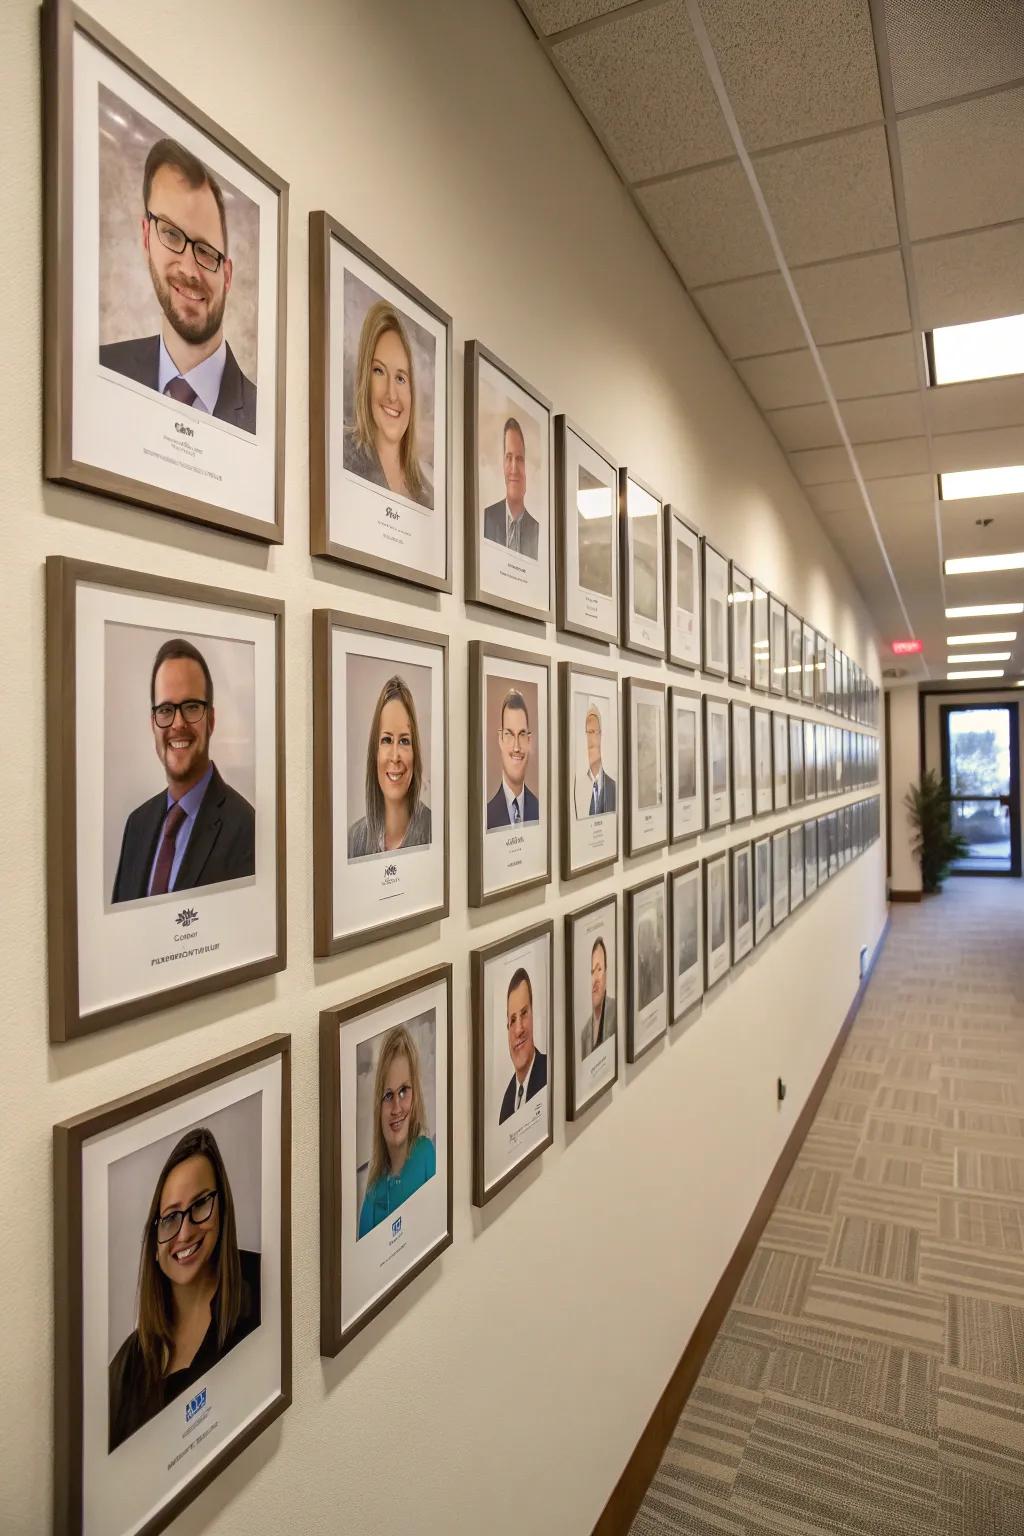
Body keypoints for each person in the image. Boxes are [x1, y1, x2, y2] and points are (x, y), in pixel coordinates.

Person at [108, 1126, 260, 1452]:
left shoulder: (262, 1288)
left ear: (223, 1207)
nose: (185, 1231)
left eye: (201, 1204)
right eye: (170, 1218)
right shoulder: (125, 1370)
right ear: (154, 1241)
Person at [99, 139, 256, 434]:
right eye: (171, 234)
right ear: (146, 238)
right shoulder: (102, 367)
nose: (189, 269)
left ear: (228, 275)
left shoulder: (261, 421)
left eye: (207, 252)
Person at [111, 638, 255, 904]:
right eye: (166, 709)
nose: (178, 724)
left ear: (211, 720)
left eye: (191, 707)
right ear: (153, 723)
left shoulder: (245, 827)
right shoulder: (136, 825)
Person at [343, 299, 432, 508]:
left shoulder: (427, 494)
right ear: (365, 378)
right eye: (379, 371)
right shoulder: (342, 456)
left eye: (401, 378)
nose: (392, 394)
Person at [358, 1024, 436, 1238]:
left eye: (404, 1091)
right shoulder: (373, 1192)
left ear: (416, 1094)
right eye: (388, 1096)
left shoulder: (427, 1155)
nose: (397, 1109)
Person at [348, 676, 431, 857]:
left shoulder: (436, 829)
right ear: (374, 753)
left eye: (404, 741)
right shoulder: (353, 840)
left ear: (415, 752)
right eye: (386, 740)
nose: (395, 756)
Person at [483, 418, 539, 559]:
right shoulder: (487, 518)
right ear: (503, 463)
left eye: (519, 459)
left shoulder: (536, 529)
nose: (514, 469)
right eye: (509, 457)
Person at [486, 688, 539, 829]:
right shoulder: (486, 816)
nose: (516, 747)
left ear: (529, 740)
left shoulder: (541, 811)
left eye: (521, 734)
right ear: (500, 739)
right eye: (509, 734)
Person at [498, 968, 547, 1124]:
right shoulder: (506, 1104)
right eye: (512, 1020)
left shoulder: (550, 1073)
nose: (518, 1030)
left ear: (534, 1014)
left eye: (524, 1013)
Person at [575, 704, 616, 818]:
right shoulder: (577, 786)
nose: (590, 739)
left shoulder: (613, 786)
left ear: (602, 735)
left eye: (594, 732)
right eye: (588, 732)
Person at [580, 936, 616, 1060]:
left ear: (606, 973)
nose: (595, 979)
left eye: (599, 969)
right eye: (591, 972)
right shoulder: (584, 1035)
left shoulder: (616, 1012)